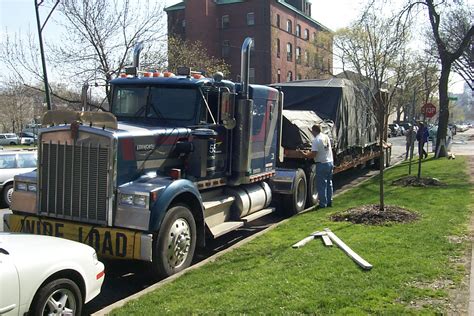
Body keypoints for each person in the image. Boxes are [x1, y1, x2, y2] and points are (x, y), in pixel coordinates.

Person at [304, 124, 334, 208]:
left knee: (321, 185)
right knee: (329, 183)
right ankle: (329, 201)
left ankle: (322, 204)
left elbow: (313, 154)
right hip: (330, 162)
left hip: (321, 164)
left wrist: (305, 155)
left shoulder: (316, 140)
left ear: (314, 131)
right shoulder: (325, 137)